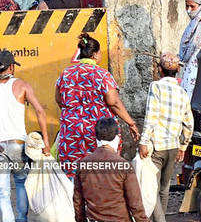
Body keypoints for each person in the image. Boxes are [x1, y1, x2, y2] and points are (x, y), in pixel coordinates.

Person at [0, 50, 50, 222]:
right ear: (11, 67)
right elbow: (40, 112)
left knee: (2, 190)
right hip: (17, 143)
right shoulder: (22, 86)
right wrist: (45, 142)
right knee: (21, 183)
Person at [56, 33, 139, 177]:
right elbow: (113, 103)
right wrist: (131, 123)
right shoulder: (102, 75)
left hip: (71, 133)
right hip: (97, 133)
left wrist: (74, 115)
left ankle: (75, 199)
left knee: (73, 176)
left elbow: (59, 100)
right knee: (99, 174)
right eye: (99, 53)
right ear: (94, 54)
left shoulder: (66, 74)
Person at [139, 53, 193, 222]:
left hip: (157, 146)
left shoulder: (156, 87)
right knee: (164, 187)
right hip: (173, 146)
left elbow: (151, 116)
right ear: (177, 71)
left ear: (159, 69)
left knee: (151, 186)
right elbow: (189, 123)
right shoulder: (182, 92)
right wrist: (183, 147)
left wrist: (143, 141)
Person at [73, 117, 152, 222]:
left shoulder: (83, 165)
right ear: (117, 138)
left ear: (96, 138)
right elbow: (135, 205)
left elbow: (78, 203)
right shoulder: (124, 166)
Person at [179, 0, 201, 97]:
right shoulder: (192, 25)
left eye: (192, 6)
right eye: (187, 6)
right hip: (188, 70)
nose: (188, 10)